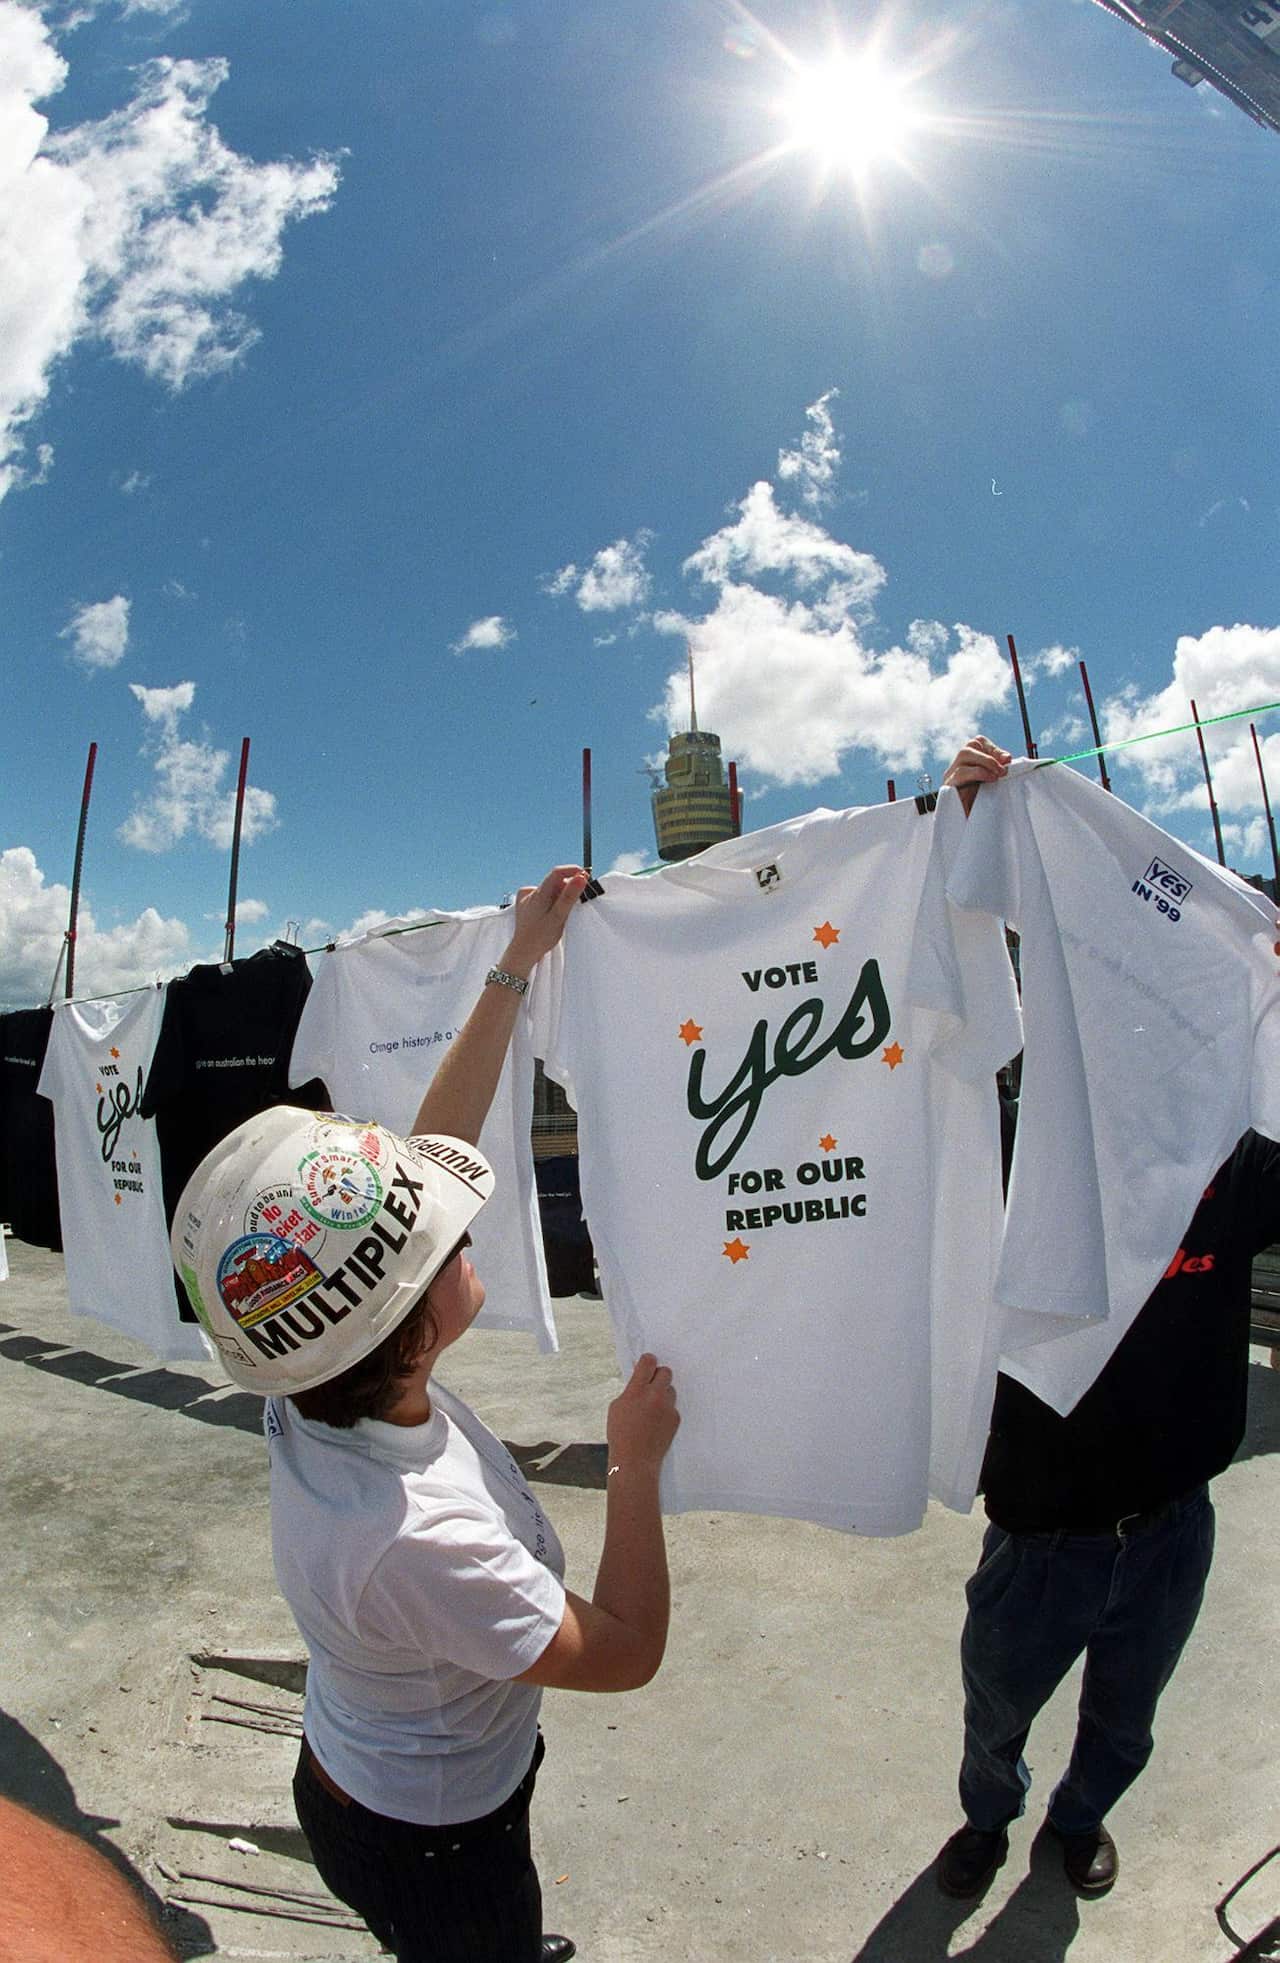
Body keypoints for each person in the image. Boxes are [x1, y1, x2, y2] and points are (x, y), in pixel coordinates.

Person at [172, 867, 679, 1963]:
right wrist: (634, 1466)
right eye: (439, 1246)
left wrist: (512, 966)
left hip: (375, 1774)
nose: (461, 1231)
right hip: (434, 1839)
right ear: (404, 1329)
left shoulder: (314, 1391)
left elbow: (428, 1146)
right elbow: (627, 1651)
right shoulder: (414, 1536)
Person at [934, 737, 1280, 1900]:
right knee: (994, 1704)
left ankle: (1076, 1818)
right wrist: (972, 827)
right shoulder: (1006, 1152)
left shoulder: (1236, 1158)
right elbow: (939, 1020)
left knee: (1125, 1717)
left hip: (1170, 1519)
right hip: (1039, 1531)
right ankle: (988, 1812)